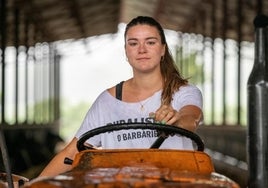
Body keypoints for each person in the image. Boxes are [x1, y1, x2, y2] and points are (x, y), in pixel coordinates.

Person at [38, 16, 203, 177]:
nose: (142, 49)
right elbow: (71, 152)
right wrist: (34, 184)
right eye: (133, 43)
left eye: (150, 42)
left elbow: (191, 118)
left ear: (163, 49)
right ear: (126, 51)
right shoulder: (107, 101)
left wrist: (177, 121)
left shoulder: (183, 91)